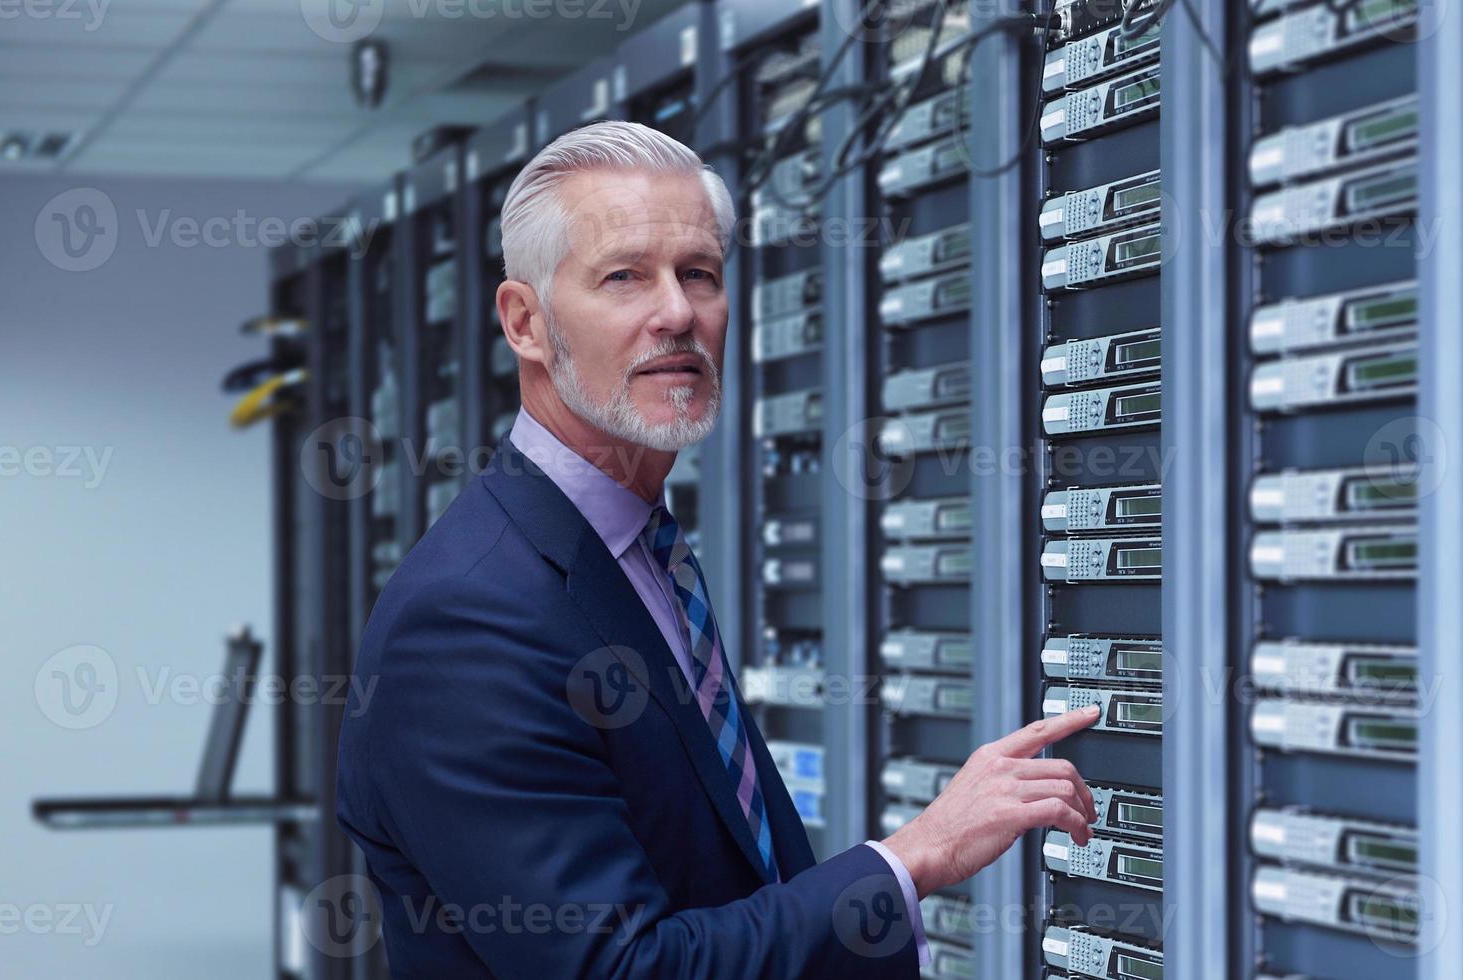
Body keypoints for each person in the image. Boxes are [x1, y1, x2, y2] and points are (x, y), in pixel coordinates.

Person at [335, 120, 1103, 979]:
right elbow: (624, 970)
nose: (676, 313)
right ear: (526, 323)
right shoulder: (467, 621)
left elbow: (734, 878)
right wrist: (915, 856)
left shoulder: (638, 553)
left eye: (697, 273)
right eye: (623, 276)